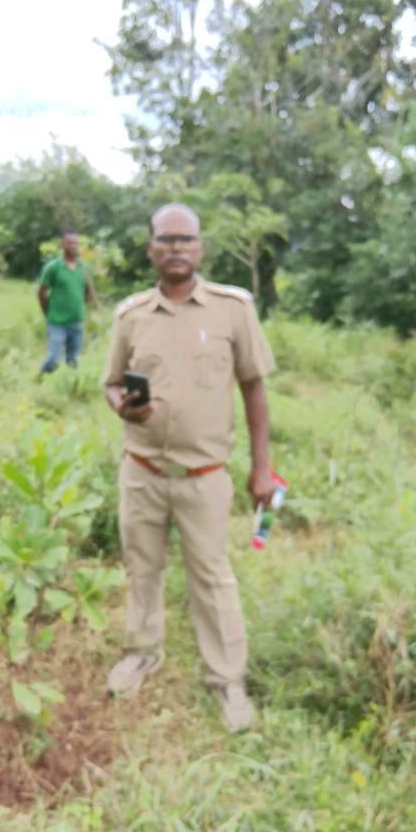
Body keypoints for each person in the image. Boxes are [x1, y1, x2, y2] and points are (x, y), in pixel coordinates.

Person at [102, 203, 278, 733]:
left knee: (212, 576)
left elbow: (254, 388)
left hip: (204, 477)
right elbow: (112, 383)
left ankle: (227, 680)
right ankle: (141, 653)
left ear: (200, 248)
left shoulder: (232, 309)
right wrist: (122, 406)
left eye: (186, 239)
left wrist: (262, 469)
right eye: (166, 239)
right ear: (150, 249)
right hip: (142, 472)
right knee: (142, 567)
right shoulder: (132, 315)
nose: (176, 248)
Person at [38, 230, 97, 375]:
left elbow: (87, 290)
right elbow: (41, 292)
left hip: (76, 323)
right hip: (57, 322)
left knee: (73, 361)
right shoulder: (53, 267)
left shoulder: (82, 268)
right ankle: (39, 379)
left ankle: (70, 386)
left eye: (76, 243)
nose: (74, 246)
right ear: (62, 245)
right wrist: (48, 312)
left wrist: (82, 306)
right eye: (70, 243)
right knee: (53, 359)